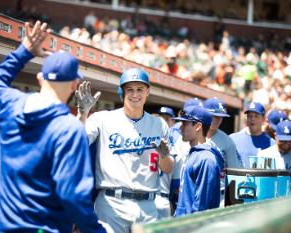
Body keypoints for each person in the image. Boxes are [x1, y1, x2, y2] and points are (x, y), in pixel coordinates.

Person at [0, 21, 105, 233]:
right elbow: (73, 196)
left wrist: (24, 52)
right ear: (75, 83)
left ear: (40, 78)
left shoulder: (11, 105)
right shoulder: (69, 129)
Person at [76, 68, 174, 233]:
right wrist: (82, 115)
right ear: (122, 92)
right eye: (130, 89)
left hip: (148, 204)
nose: (135, 94)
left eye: (140, 89)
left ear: (148, 91)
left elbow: (168, 168)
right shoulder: (103, 118)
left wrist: (164, 156)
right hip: (112, 202)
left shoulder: (159, 124)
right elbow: (76, 143)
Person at [174, 106, 224, 216]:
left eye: (185, 124)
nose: (180, 128)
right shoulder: (194, 153)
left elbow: (201, 207)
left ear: (198, 126)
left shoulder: (206, 159)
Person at [156, 107, 183, 219]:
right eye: (160, 117)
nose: (163, 121)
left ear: (173, 122)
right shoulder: (143, 142)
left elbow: (176, 185)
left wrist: (172, 201)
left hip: (163, 198)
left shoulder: (177, 146)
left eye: (167, 118)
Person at [230, 102, 275, 168]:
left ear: (263, 119)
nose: (252, 119)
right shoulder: (233, 139)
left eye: (256, 116)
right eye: (249, 116)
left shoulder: (272, 143)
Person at [204, 97, 243, 168]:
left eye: (221, 117)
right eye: (215, 116)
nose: (218, 120)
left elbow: (234, 171)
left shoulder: (228, 141)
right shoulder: (192, 135)